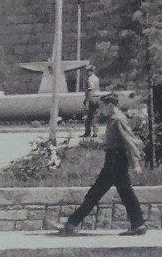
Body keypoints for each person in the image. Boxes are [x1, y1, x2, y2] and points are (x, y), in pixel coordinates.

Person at [60, 92, 147, 236]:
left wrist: (136, 163)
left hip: (116, 160)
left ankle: (71, 224)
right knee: (125, 192)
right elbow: (113, 140)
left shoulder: (118, 119)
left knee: (96, 192)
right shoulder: (114, 119)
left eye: (102, 106)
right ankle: (138, 224)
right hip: (115, 158)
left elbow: (130, 141)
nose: (101, 110)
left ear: (110, 105)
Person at [82, 66, 100, 137]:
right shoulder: (96, 78)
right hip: (97, 97)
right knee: (95, 115)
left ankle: (87, 132)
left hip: (91, 98)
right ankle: (95, 132)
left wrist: (87, 100)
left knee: (88, 116)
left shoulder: (89, 79)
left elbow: (90, 89)